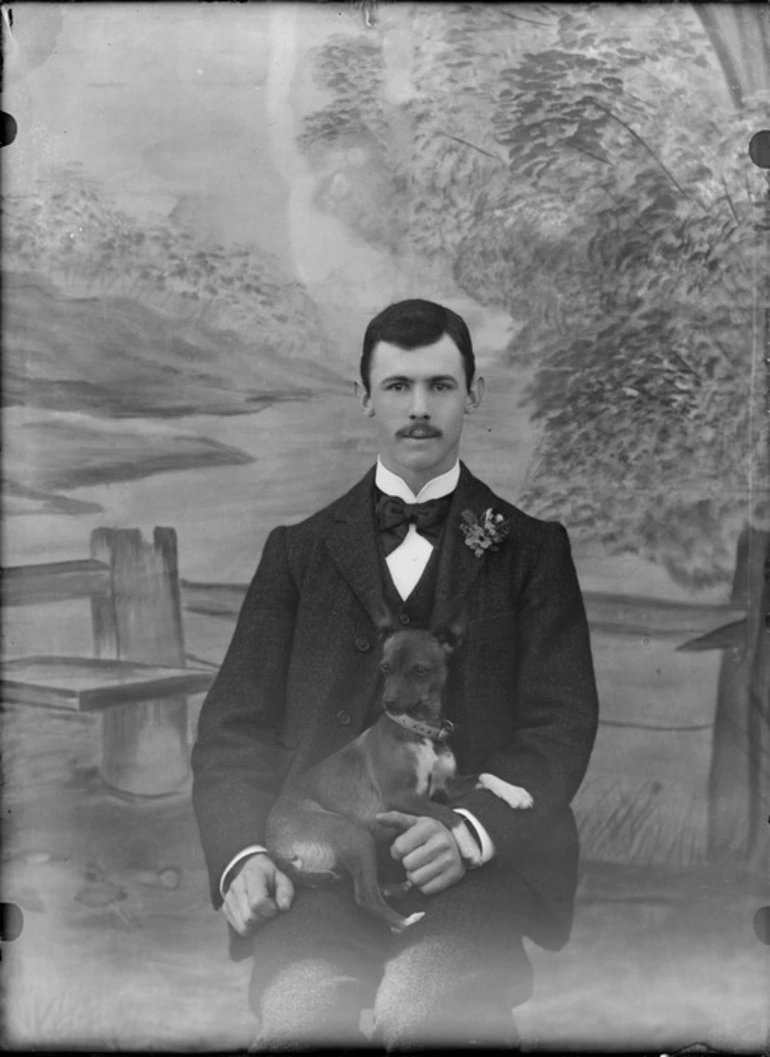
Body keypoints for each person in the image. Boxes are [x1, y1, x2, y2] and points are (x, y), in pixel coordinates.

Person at [191, 298, 599, 1050]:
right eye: (399, 385)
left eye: (441, 386)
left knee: (428, 1013)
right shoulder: (298, 551)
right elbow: (231, 731)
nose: (419, 408)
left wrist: (470, 829)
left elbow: (560, 724)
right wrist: (243, 856)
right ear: (365, 395)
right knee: (303, 1016)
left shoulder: (533, 551)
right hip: (315, 882)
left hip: (473, 877)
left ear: (473, 393)